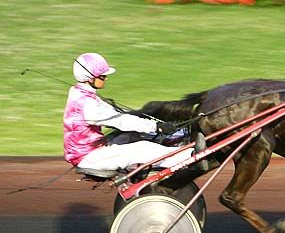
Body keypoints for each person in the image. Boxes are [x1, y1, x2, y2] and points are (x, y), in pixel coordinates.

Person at [63, 52, 192, 171]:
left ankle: (177, 147)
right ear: (89, 78)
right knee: (144, 148)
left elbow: (115, 113)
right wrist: (156, 126)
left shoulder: (81, 93)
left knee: (135, 136)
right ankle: (189, 156)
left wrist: (145, 121)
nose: (106, 78)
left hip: (92, 149)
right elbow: (120, 121)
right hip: (89, 157)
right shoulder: (87, 104)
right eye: (102, 76)